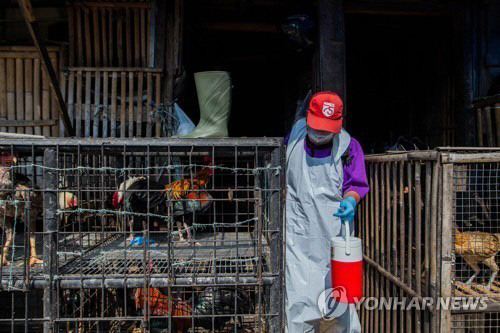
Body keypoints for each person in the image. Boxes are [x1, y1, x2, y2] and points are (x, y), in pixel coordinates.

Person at [285, 91, 369, 332]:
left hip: (334, 233)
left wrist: (351, 200)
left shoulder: (349, 147)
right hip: (298, 234)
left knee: (342, 296)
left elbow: (356, 184)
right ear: (308, 118)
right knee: (299, 298)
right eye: (317, 126)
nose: (320, 133)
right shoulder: (294, 138)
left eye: (327, 128)